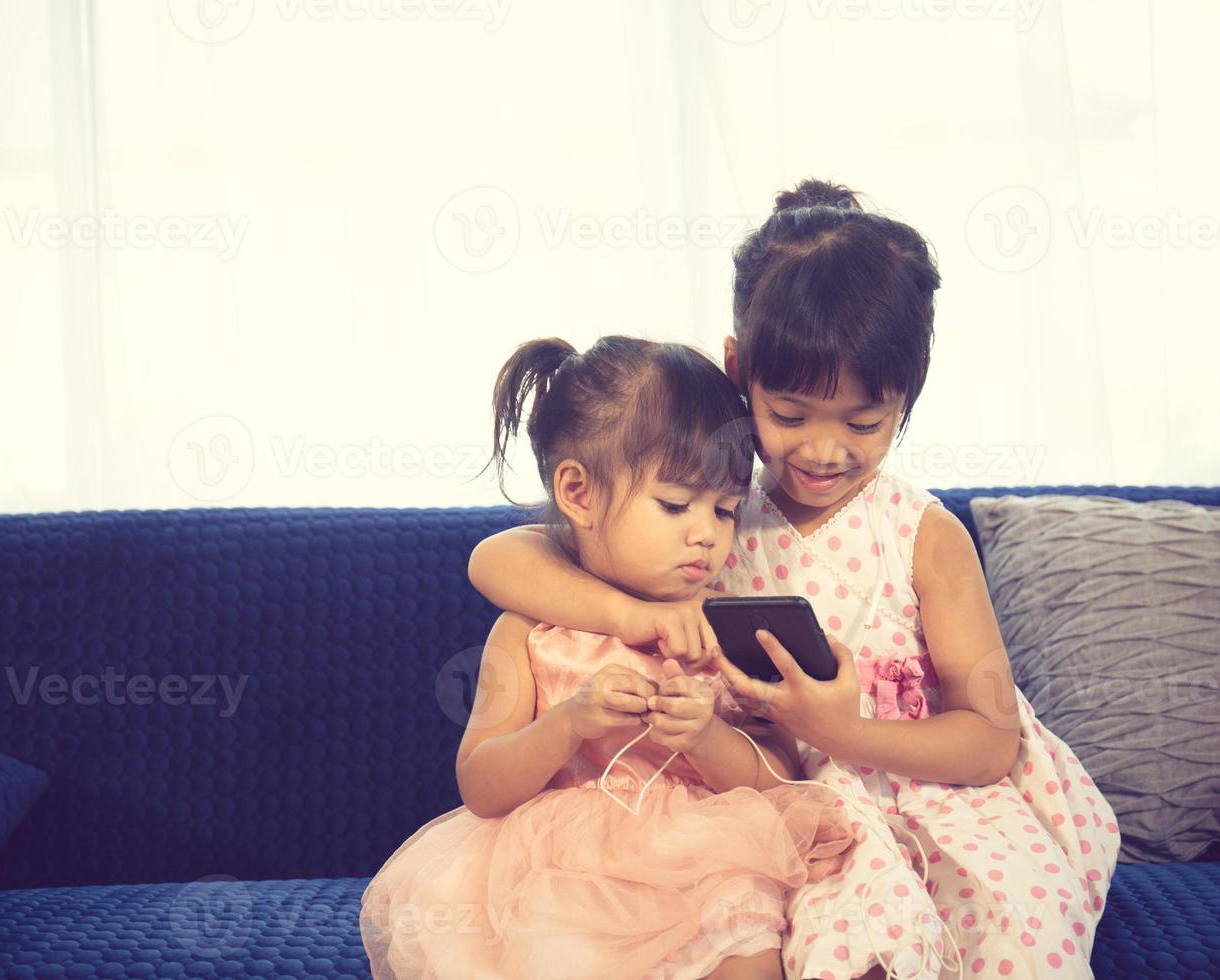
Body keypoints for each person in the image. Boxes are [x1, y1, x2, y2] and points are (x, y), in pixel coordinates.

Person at [465, 181, 1121, 979]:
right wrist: (624, 615)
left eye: (863, 422)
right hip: (783, 806)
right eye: (790, 413)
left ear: (906, 400)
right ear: (740, 371)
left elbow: (987, 743)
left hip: (930, 798)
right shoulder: (707, 510)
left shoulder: (920, 534)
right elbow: (500, 561)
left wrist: (842, 732)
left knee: (1003, 936)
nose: (822, 449)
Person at [360, 334, 856, 979]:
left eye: (727, 510)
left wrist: (707, 739)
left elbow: (779, 777)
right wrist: (569, 724)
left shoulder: (720, 626)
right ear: (579, 492)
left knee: (749, 948)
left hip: (703, 858)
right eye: (675, 504)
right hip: (556, 869)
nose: (706, 532)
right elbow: (481, 785)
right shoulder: (533, 629)